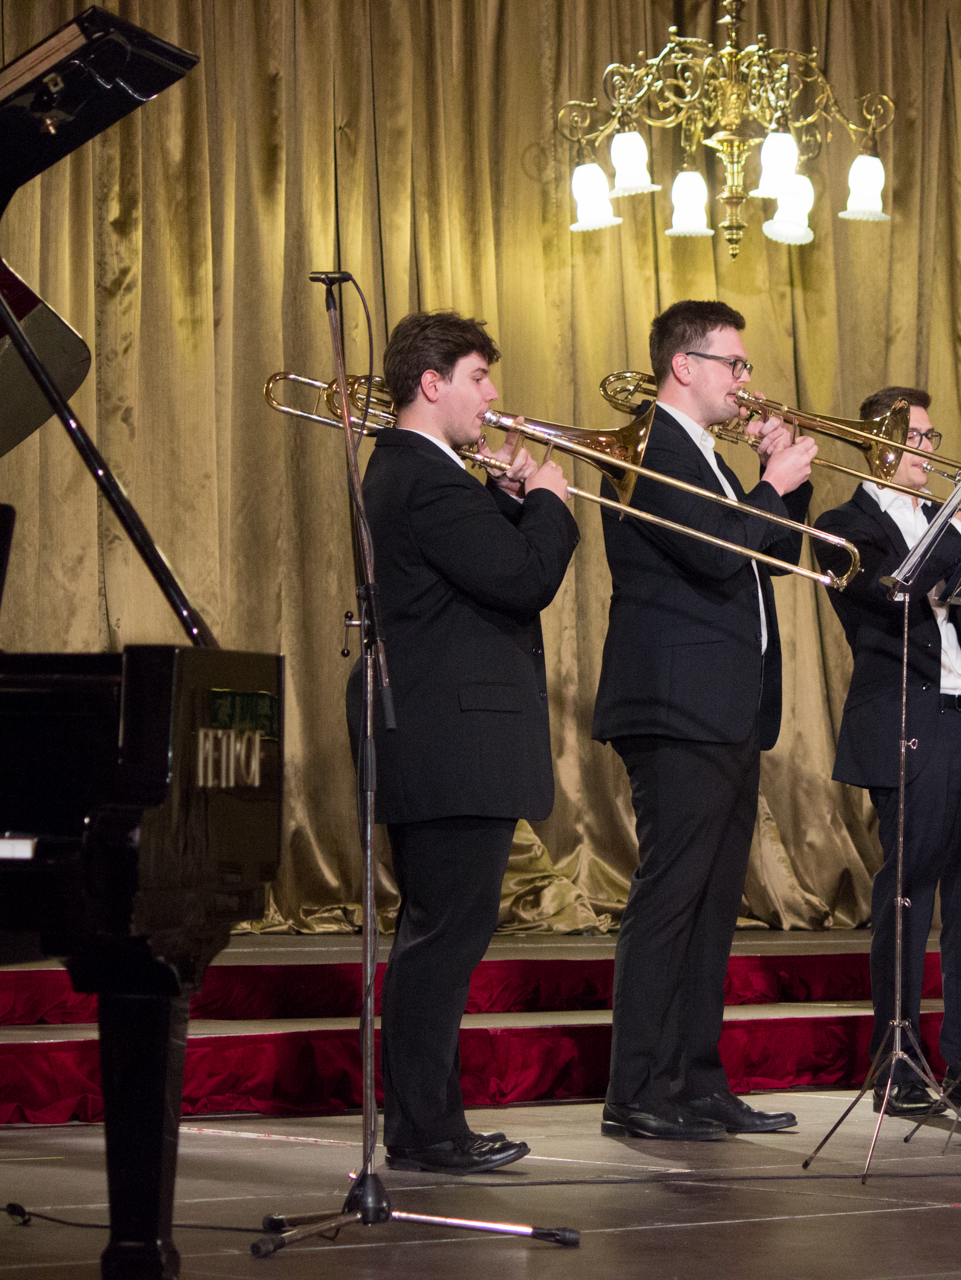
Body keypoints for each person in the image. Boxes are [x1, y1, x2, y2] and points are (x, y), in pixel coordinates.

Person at [344, 310, 579, 1174]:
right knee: (444, 940)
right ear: (432, 383)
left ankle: (428, 1122)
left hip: (442, 734)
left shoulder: (424, 474)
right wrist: (548, 502)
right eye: (479, 377)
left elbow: (474, 573)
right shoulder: (423, 475)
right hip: (450, 737)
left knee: (440, 936)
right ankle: (426, 1128)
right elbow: (522, 578)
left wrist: (506, 502)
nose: (494, 394)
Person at [591, 300, 819, 1141]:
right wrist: (771, 486)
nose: (746, 381)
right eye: (735, 363)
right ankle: (637, 1090)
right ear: (684, 365)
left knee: (715, 903)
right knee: (671, 898)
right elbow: (715, 552)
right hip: (675, 703)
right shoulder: (649, 446)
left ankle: (695, 1081)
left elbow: (772, 557)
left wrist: (785, 484)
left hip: (723, 705)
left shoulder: (710, 458)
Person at [812, 387, 961, 1117]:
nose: (926, 448)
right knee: (908, 897)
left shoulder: (946, 521)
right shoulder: (845, 525)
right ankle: (898, 1065)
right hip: (907, 724)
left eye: (929, 435)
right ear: (875, 443)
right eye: (913, 436)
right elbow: (898, 594)